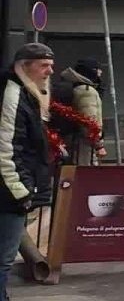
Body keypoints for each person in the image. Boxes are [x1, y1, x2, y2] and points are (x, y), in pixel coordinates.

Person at [0, 44, 55, 300]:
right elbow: (7, 148)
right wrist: (21, 192)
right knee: (4, 258)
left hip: (13, 191)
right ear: (25, 66)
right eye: (44, 65)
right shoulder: (12, 94)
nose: (50, 71)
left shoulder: (26, 93)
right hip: (8, 194)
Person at [59, 59, 108, 165]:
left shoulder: (75, 87)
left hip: (72, 140)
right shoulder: (87, 92)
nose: (100, 73)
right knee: (84, 174)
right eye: (98, 69)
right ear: (91, 71)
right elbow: (90, 121)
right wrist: (99, 145)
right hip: (83, 145)